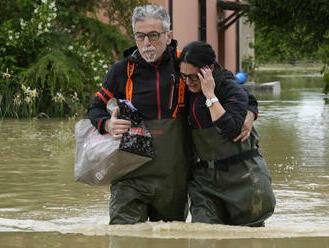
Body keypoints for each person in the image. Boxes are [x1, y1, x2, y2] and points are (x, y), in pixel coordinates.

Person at [88, 5, 257, 225]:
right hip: (129, 178)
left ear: (169, 36)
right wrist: (107, 125)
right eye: (140, 36)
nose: (147, 43)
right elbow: (94, 109)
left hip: (174, 180)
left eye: (154, 36)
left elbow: (236, 91)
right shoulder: (120, 71)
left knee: (170, 238)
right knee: (124, 238)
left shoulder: (185, 65)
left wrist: (251, 112)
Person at [179, 41, 276, 226]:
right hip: (205, 181)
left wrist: (210, 95)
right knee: (203, 235)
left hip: (244, 178)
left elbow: (230, 130)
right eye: (184, 76)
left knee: (248, 238)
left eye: (193, 77)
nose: (188, 82)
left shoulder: (230, 89)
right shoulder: (187, 88)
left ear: (209, 70)